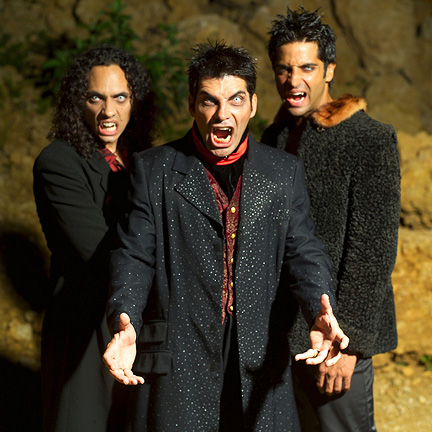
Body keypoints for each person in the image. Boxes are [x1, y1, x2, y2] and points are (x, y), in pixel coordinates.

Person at [103, 41, 349, 432]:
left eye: (235, 99)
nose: (223, 114)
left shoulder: (283, 171)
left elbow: (303, 250)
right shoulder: (153, 170)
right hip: (181, 359)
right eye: (209, 101)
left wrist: (320, 307)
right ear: (192, 105)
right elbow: (134, 254)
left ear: (252, 105)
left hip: (258, 360)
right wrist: (125, 317)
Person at [261, 7, 400, 432]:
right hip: (279, 337)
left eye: (307, 67)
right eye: (284, 69)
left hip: (336, 341)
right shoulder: (273, 138)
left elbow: (373, 251)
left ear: (330, 70)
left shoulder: (369, 139)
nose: (294, 80)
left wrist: (349, 343)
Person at [33, 45, 156, 432]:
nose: (108, 111)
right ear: (77, 102)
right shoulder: (59, 162)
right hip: (83, 327)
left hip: (136, 325)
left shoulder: (142, 160)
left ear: (135, 101)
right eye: (95, 98)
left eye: (120, 98)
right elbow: (99, 252)